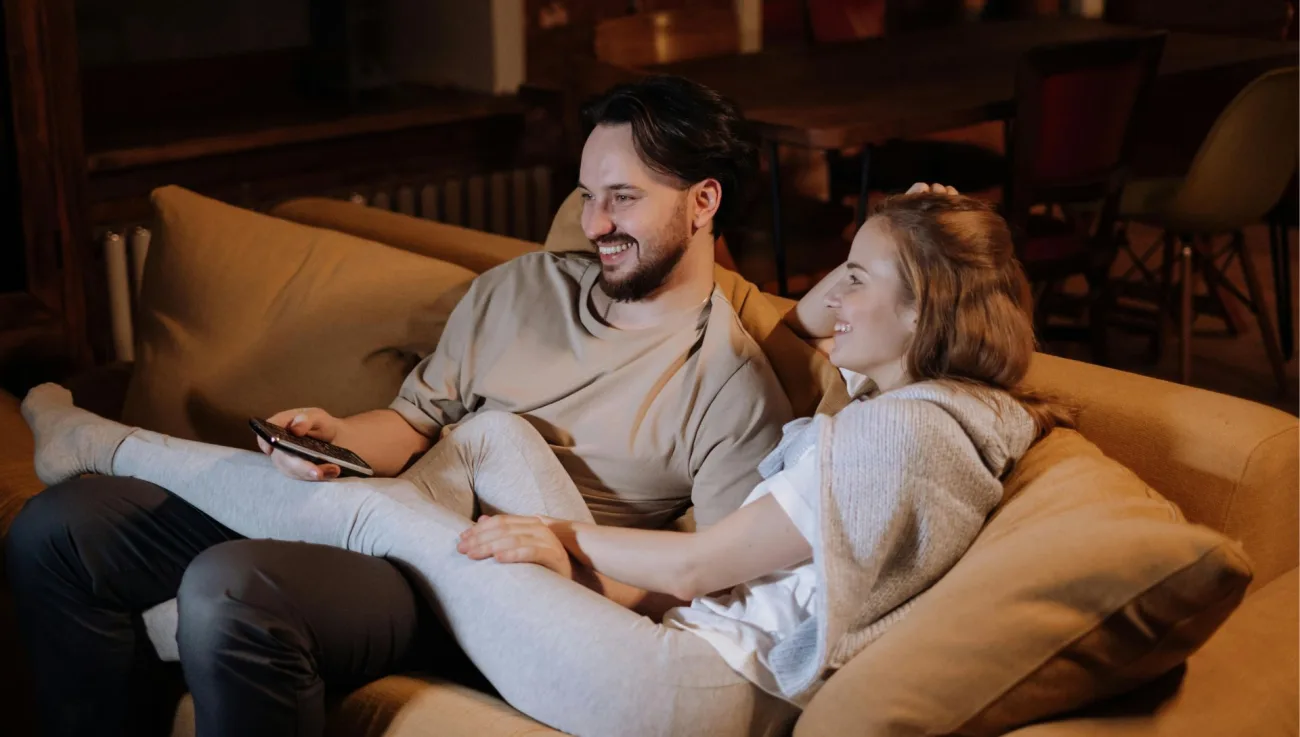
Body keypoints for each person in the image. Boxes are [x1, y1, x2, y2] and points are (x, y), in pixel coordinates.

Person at [15, 187, 1066, 735]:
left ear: (922, 309)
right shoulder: (929, 408)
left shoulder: (904, 427)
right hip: (684, 642)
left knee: (389, 518)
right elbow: (811, 329)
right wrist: (910, 229)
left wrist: (555, 538)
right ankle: (340, 514)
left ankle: (101, 444)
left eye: (860, 276)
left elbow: (705, 565)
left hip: (695, 692)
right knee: (493, 432)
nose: (833, 295)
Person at [6, 75, 794, 737]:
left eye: (622, 198)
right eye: (587, 195)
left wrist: (579, 567)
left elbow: (709, 581)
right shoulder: (519, 289)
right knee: (63, 526)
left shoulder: (728, 384)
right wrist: (335, 435)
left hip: (477, 586)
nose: (594, 224)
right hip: (392, 499)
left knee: (234, 586)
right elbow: (412, 424)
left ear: (702, 201)